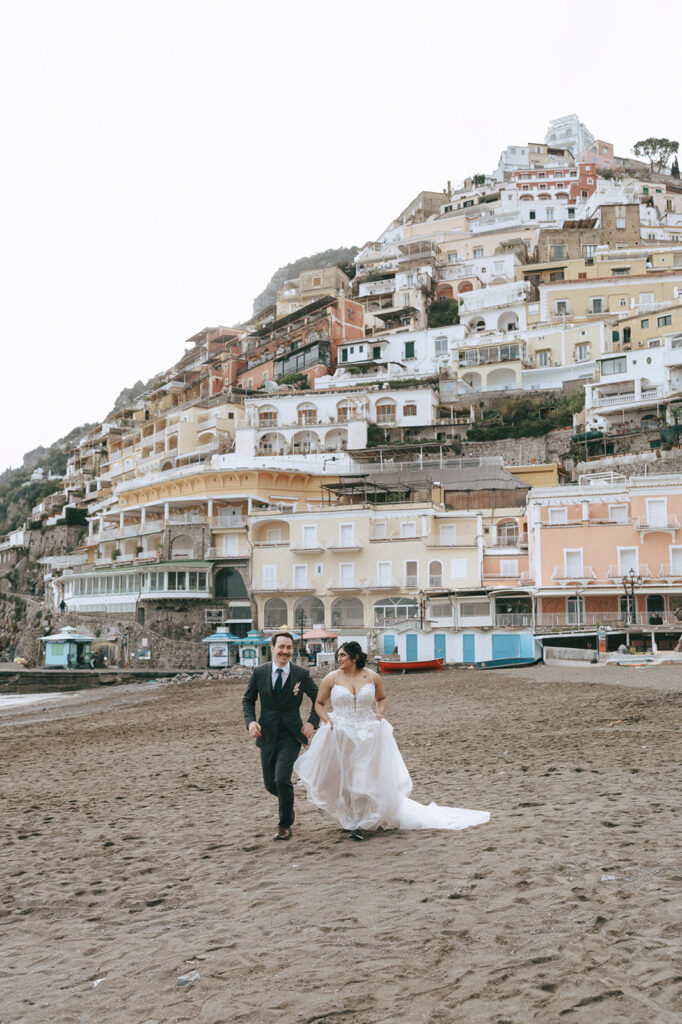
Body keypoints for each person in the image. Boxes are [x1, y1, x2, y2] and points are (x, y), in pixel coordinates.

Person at [294, 641, 490, 841]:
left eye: (343, 655)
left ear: (354, 657)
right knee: (344, 778)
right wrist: (328, 721)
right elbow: (319, 704)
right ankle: (351, 819)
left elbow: (381, 699)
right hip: (341, 733)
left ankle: (361, 823)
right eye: (338, 656)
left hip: (368, 732)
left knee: (363, 777)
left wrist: (379, 713)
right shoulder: (331, 678)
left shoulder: (372, 676)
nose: (339, 659)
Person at [242, 631, 319, 841]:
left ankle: (284, 825)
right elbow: (248, 700)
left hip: (291, 735)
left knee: (281, 778)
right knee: (270, 784)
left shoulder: (301, 675)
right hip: (266, 734)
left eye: (289, 647)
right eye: (281, 647)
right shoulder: (259, 672)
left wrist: (312, 722)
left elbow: (318, 698)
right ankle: (288, 805)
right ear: (273, 648)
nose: (285, 651)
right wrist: (251, 722)